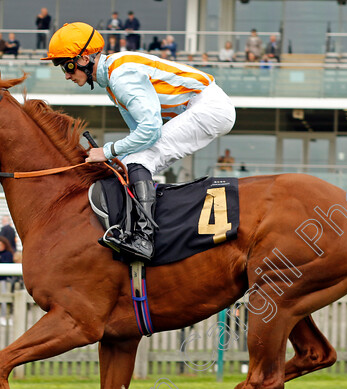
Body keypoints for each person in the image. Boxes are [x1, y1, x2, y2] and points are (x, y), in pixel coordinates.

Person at [43, 22, 236, 260]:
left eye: (68, 66)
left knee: (139, 160)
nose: (67, 75)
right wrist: (116, 159)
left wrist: (108, 151)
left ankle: (144, 238)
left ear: (84, 58)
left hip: (209, 107)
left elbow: (150, 131)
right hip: (202, 106)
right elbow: (140, 136)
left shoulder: (120, 76)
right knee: (133, 161)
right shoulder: (112, 78)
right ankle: (134, 229)